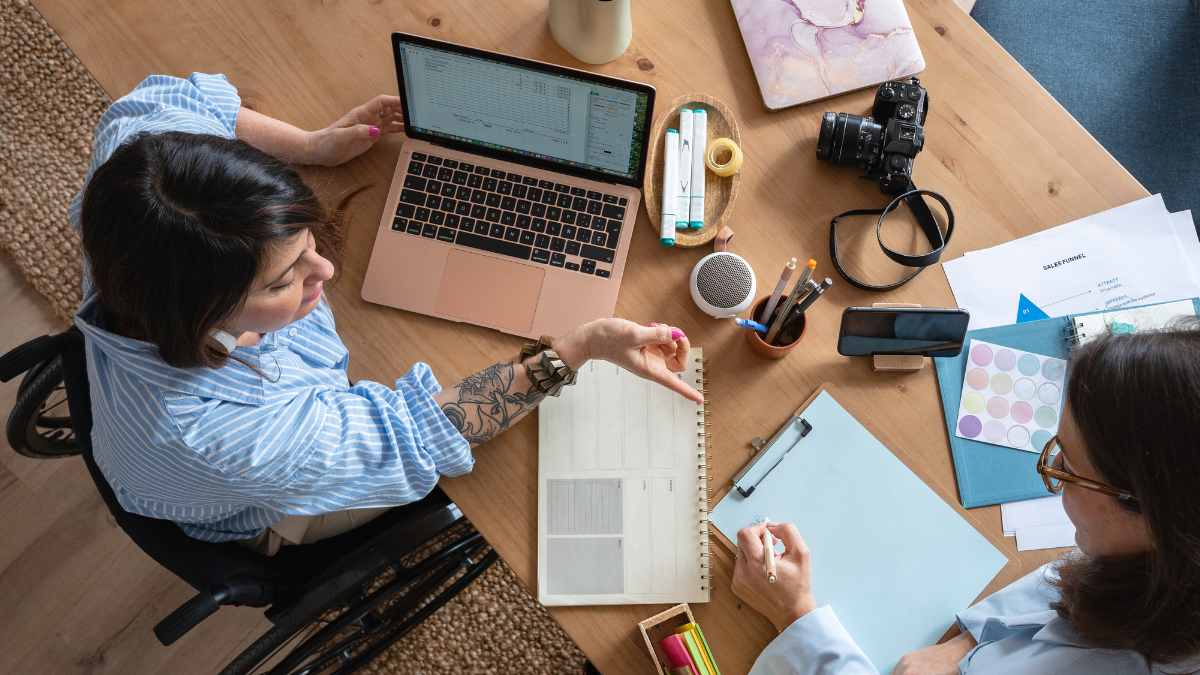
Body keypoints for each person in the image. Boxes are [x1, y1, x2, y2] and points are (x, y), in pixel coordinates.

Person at [72, 72, 701, 555]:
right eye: (286, 279)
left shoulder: (142, 168)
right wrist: (579, 346)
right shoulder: (237, 439)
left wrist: (311, 147)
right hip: (260, 506)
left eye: (307, 242)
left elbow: (176, 97)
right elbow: (417, 435)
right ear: (204, 317)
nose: (327, 272)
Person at [731, 323, 1200, 674]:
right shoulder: (1164, 546)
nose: (1050, 475)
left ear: (1155, 516)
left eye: (1068, 469)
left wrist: (793, 614)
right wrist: (970, 641)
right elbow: (1087, 576)